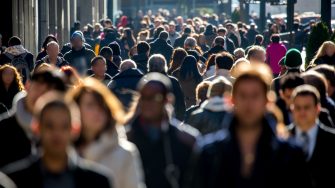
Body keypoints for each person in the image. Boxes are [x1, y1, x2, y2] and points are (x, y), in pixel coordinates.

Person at [187, 63, 312, 188]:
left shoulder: (290, 154)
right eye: (243, 96)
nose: (249, 103)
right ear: (231, 100)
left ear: (267, 101)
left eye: (255, 96)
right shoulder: (209, 153)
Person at [2, 92, 112, 188]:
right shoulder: (12, 181)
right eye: (50, 126)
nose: (57, 133)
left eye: (64, 126)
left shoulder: (99, 182)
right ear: (37, 128)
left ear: (75, 129)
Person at [68, 78, 145, 188]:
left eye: (101, 105)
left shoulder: (125, 153)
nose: (97, 110)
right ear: (76, 109)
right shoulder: (64, 150)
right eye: (90, 105)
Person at [126, 72, 199, 188]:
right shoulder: (125, 140)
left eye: (156, 97)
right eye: (144, 97)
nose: (149, 102)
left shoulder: (186, 141)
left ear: (168, 100)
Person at [0, 68, 66, 168]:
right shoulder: (3, 128)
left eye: (47, 92)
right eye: (38, 87)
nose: (40, 96)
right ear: (27, 85)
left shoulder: (61, 134)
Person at [288, 84, 335, 188]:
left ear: (317, 109)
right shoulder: (281, 138)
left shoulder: (332, 140)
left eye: (307, 107)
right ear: (292, 109)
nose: (302, 112)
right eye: (298, 107)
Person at [148, 54, 186, 121]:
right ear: (164, 66)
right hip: (170, 120)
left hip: (149, 121)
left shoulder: (145, 81)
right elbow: (180, 103)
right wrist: (179, 120)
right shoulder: (173, 81)